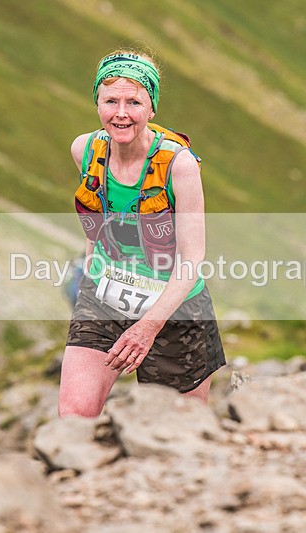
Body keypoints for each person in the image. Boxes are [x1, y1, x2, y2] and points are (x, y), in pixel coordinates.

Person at [59, 49, 226, 418]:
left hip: (176, 309)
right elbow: (96, 227)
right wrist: (91, 281)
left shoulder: (179, 166)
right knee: (74, 417)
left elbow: (192, 260)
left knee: (179, 437)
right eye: (111, 101)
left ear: (151, 108)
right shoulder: (84, 150)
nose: (121, 113)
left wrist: (148, 326)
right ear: (97, 103)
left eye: (134, 101)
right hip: (105, 295)